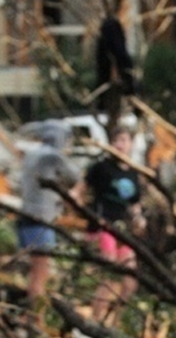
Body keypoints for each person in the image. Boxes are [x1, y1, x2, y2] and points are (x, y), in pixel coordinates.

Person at [82, 124, 145, 324]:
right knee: (109, 275)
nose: (120, 145)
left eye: (124, 140)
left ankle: (115, 321)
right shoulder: (101, 167)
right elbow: (79, 190)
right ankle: (96, 319)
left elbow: (135, 203)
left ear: (131, 144)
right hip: (104, 226)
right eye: (117, 140)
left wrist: (139, 219)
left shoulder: (134, 172)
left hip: (124, 229)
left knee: (129, 280)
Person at [15, 121, 82, 304]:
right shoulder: (52, 156)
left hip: (25, 218)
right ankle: (34, 316)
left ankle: (30, 311)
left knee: (35, 270)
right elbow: (74, 175)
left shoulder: (32, 154)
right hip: (41, 221)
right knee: (41, 271)